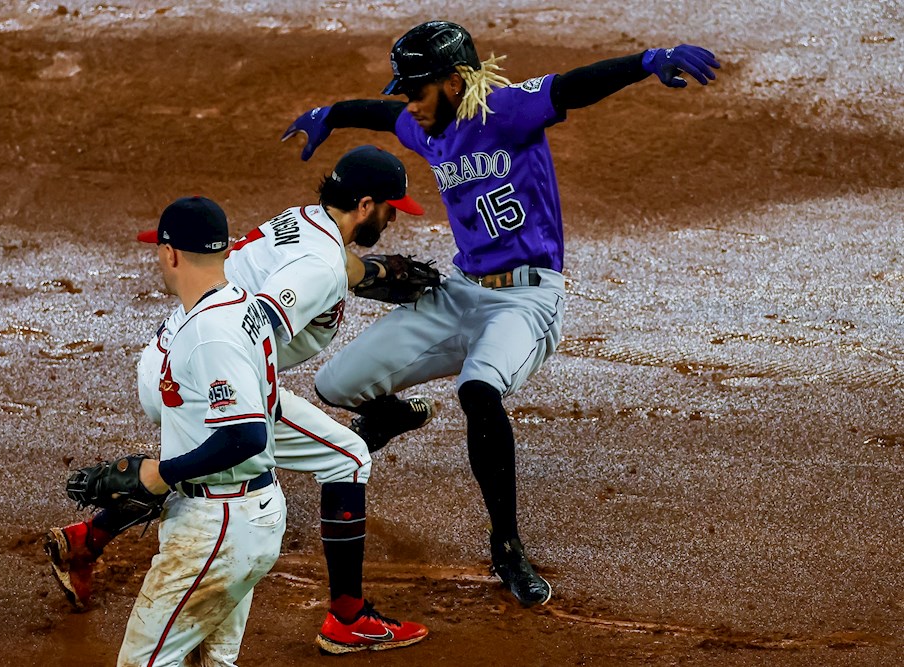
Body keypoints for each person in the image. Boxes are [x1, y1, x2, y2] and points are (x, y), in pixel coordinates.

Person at [281, 20, 720, 607]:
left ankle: (507, 547)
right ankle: (391, 417)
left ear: (456, 81)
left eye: (416, 89)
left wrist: (649, 59)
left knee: (479, 391)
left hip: (525, 298)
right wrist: (332, 113)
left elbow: (571, 88)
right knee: (336, 383)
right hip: (460, 293)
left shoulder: (505, 112)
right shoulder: (427, 125)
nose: (408, 102)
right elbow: (388, 118)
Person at [46, 146, 431, 654]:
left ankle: (87, 539)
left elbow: (325, 269)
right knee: (343, 458)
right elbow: (259, 323)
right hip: (207, 376)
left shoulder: (307, 221)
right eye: (390, 207)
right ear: (365, 206)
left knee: (207, 464)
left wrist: (377, 274)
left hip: (172, 362)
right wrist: (253, 401)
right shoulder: (319, 266)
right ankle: (348, 619)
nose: (392, 216)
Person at [116, 195, 285, 666]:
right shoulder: (245, 306)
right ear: (225, 251)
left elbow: (246, 435)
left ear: (170, 253)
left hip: (218, 523)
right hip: (250, 511)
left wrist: (161, 473)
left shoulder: (209, 330)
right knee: (212, 662)